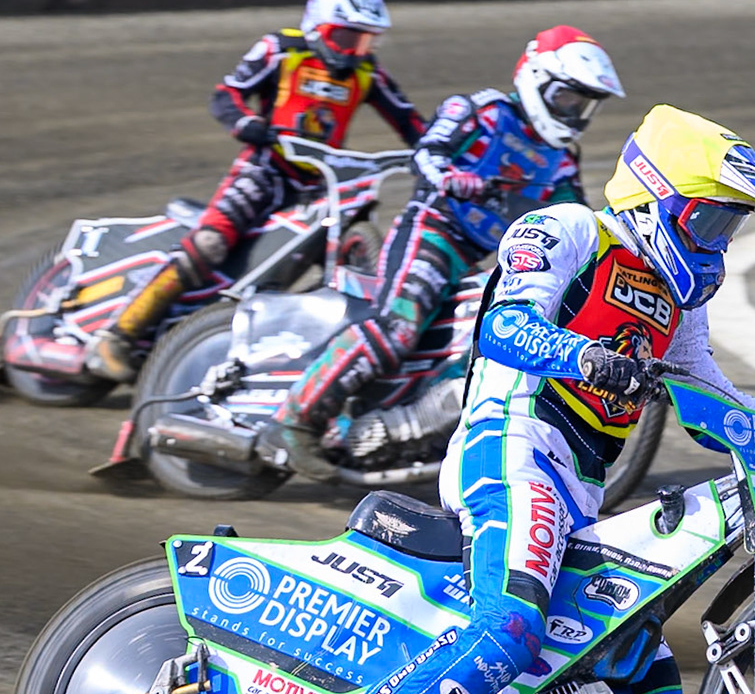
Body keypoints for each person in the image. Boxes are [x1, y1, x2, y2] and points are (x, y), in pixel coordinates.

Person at [274, 104, 755, 694]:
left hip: (580, 489)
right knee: (511, 626)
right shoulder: (569, 230)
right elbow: (504, 327)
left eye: (729, 227)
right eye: (710, 222)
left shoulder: (674, 303)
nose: (717, 244)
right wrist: (583, 357)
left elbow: (709, 403)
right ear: (659, 199)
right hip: (513, 445)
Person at [254, 25, 626, 479]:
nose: (577, 112)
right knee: (398, 328)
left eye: (586, 103)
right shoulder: (477, 111)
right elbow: (426, 153)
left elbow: (576, 219)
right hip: (434, 230)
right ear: (535, 79)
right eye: (569, 98)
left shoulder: (564, 157)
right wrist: (450, 177)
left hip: (486, 259)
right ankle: (292, 423)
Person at [84, 0, 425, 383]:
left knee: (323, 255)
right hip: (264, 170)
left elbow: (409, 121)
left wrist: (434, 149)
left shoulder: (368, 73)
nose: (355, 51)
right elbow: (225, 94)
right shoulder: (281, 50)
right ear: (320, 24)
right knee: (210, 243)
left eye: (366, 40)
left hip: (320, 183)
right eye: (347, 38)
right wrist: (246, 123)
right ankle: (119, 334)